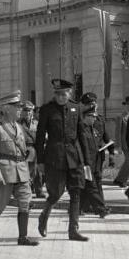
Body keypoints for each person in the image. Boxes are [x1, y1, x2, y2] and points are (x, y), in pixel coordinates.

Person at [0, 91, 39, 246]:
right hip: (5, 173)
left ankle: (22, 237)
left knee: (25, 202)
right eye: (16, 106)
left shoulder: (19, 127)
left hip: (21, 171)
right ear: (6, 108)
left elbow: (23, 150)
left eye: (20, 106)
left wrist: (29, 170)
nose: (20, 109)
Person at [35, 78, 89, 242]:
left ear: (70, 93)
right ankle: (44, 215)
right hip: (54, 157)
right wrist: (40, 161)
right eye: (57, 94)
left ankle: (73, 230)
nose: (60, 97)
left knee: (76, 192)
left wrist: (86, 160)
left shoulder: (76, 108)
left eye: (63, 93)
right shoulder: (47, 109)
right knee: (56, 193)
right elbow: (39, 136)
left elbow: (81, 135)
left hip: (74, 157)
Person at [79, 103, 109, 218]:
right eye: (92, 116)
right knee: (91, 187)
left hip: (94, 162)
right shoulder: (82, 130)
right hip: (86, 164)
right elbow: (84, 148)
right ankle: (101, 209)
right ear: (86, 117)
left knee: (86, 188)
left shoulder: (91, 129)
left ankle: (78, 208)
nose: (95, 119)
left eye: (95, 116)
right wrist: (85, 164)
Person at [19, 100, 44, 198]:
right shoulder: (18, 124)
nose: (27, 113)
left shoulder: (36, 123)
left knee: (37, 171)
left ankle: (39, 190)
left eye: (29, 110)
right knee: (26, 171)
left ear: (32, 112)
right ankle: (27, 191)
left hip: (35, 148)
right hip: (24, 149)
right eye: (25, 110)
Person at [113, 96, 129, 187]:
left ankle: (120, 180)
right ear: (125, 106)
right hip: (125, 144)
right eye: (127, 104)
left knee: (128, 162)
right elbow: (118, 132)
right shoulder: (120, 117)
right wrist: (118, 146)